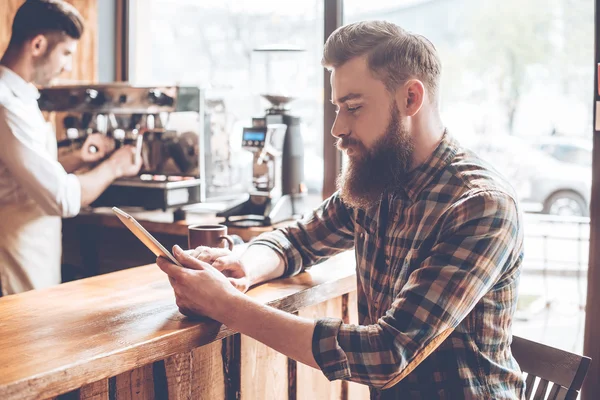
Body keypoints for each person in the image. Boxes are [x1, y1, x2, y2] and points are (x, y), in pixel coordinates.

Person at [156, 20, 525, 399]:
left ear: (411, 98)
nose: (336, 127)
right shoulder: (382, 176)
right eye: (337, 107)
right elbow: (295, 240)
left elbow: (387, 354)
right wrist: (243, 266)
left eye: (354, 107)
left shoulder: (481, 206)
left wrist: (225, 305)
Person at [0, 0, 142, 296]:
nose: (67, 66)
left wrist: (76, 158)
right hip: (14, 268)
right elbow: (62, 198)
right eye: (65, 53)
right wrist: (116, 165)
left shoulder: (20, 97)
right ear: (38, 45)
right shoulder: (7, 105)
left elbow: (18, 177)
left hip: (33, 260)